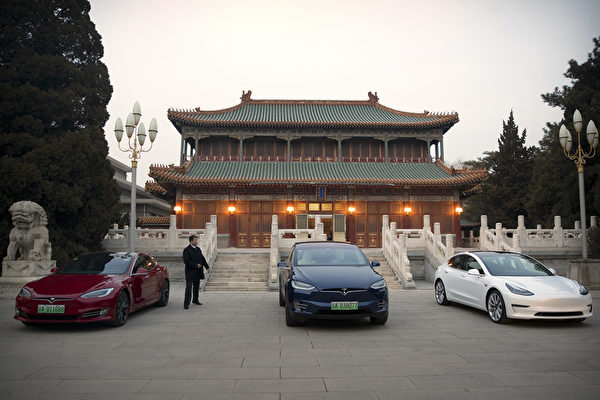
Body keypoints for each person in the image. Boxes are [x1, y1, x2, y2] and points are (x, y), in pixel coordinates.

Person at [182, 234, 210, 309]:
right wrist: (195, 265)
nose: (197, 241)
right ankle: (186, 303)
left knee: (196, 287)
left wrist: (207, 267)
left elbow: (202, 259)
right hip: (190, 272)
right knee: (189, 287)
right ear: (191, 241)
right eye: (195, 240)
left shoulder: (198, 249)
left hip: (198, 272)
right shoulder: (186, 250)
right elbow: (186, 261)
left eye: (197, 240)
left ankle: (195, 300)